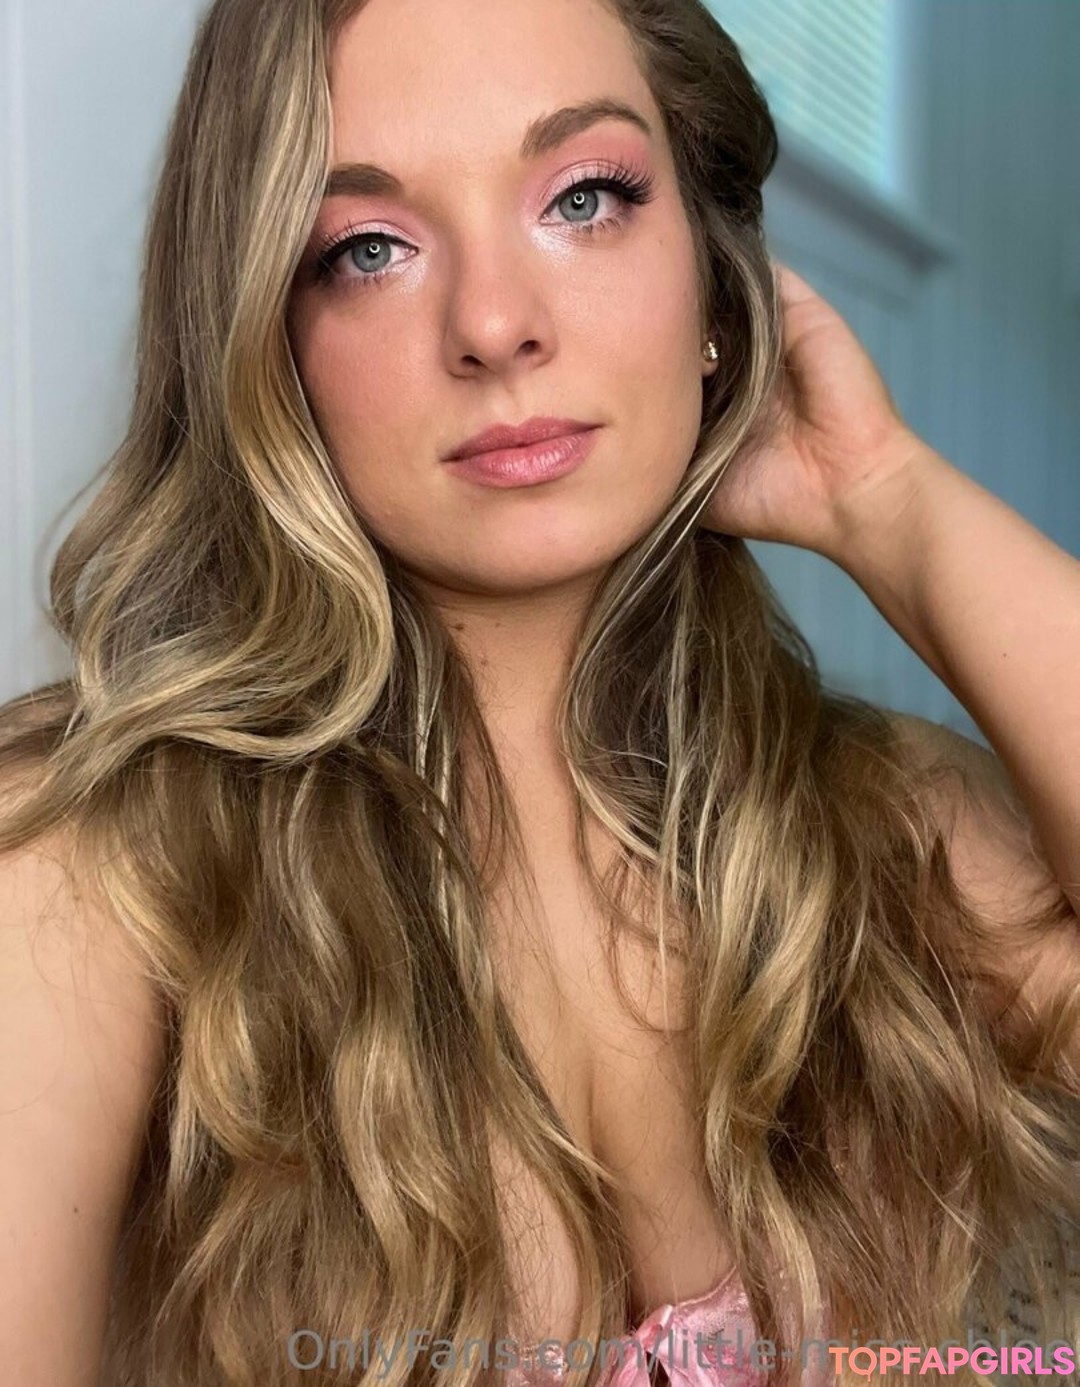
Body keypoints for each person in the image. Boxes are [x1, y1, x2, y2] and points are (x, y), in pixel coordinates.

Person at [1, 0, 1078, 1383]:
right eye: (368, 248)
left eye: (585, 198)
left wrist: (887, 498)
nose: (495, 325)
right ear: (266, 339)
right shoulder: (85, 875)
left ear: (715, 281)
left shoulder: (887, 832)